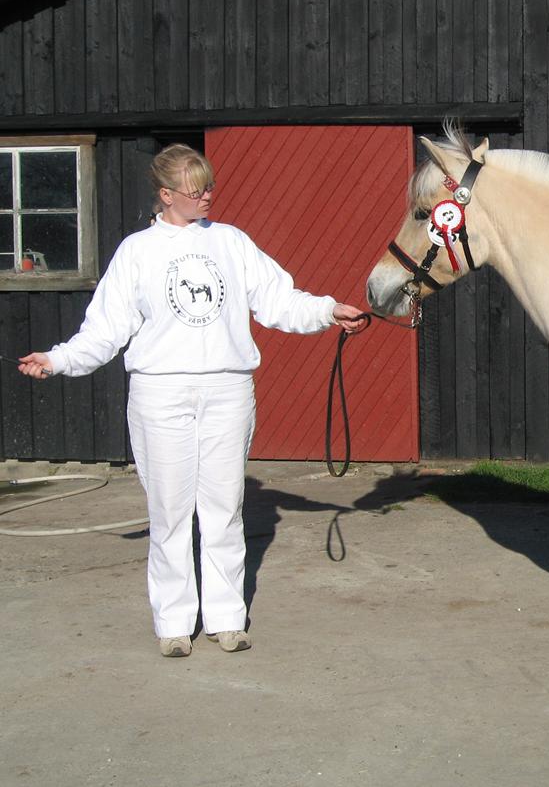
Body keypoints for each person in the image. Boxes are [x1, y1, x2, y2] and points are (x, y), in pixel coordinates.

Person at [18, 144, 365, 658]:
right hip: (161, 393)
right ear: (165, 195)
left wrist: (326, 310)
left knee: (225, 508)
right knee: (171, 511)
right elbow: (106, 329)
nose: (207, 195)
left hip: (228, 389)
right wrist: (59, 358)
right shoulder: (137, 252)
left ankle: (227, 617)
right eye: (195, 188)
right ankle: (174, 623)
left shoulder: (231, 242)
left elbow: (277, 298)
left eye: (209, 186)